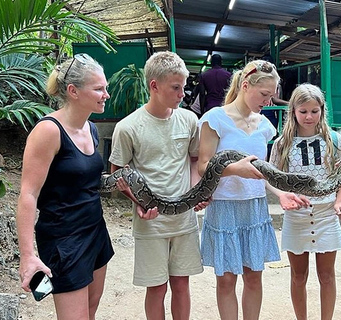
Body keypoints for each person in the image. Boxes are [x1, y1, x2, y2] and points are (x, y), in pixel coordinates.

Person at [197, 60, 310, 319]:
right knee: (226, 281)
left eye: (272, 96)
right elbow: (204, 166)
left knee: (253, 278)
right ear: (245, 86)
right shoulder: (215, 119)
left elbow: (263, 173)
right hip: (225, 206)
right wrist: (236, 169)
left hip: (255, 207)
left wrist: (282, 193)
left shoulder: (264, 125)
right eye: (264, 95)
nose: (268, 101)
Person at [109, 51, 206, 320]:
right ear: (154, 85)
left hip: (184, 221)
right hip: (151, 222)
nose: (182, 94)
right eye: (176, 87)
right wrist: (138, 203)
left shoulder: (189, 120)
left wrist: (197, 190)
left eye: (183, 87)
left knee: (182, 283)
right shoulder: (128, 127)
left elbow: (194, 159)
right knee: (156, 287)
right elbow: (117, 173)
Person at [16, 53, 113, 319]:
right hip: (64, 239)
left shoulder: (91, 129)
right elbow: (28, 194)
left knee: (91, 310)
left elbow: (84, 182)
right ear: (73, 91)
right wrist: (28, 256)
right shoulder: (48, 131)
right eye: (99, 89)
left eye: (105, 87)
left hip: (95, 230)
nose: (106, 94)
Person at [269, 83, 341, 320]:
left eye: (315, 111)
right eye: (303, 111)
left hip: (326, 215)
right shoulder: (282, 143)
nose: (309, 116)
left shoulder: (334, 139)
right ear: (293, 111)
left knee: (327, 276)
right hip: (297, 216)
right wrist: (282, 195)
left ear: (322, 111)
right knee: (298, 276)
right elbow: (271, 176)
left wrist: (339, 202)